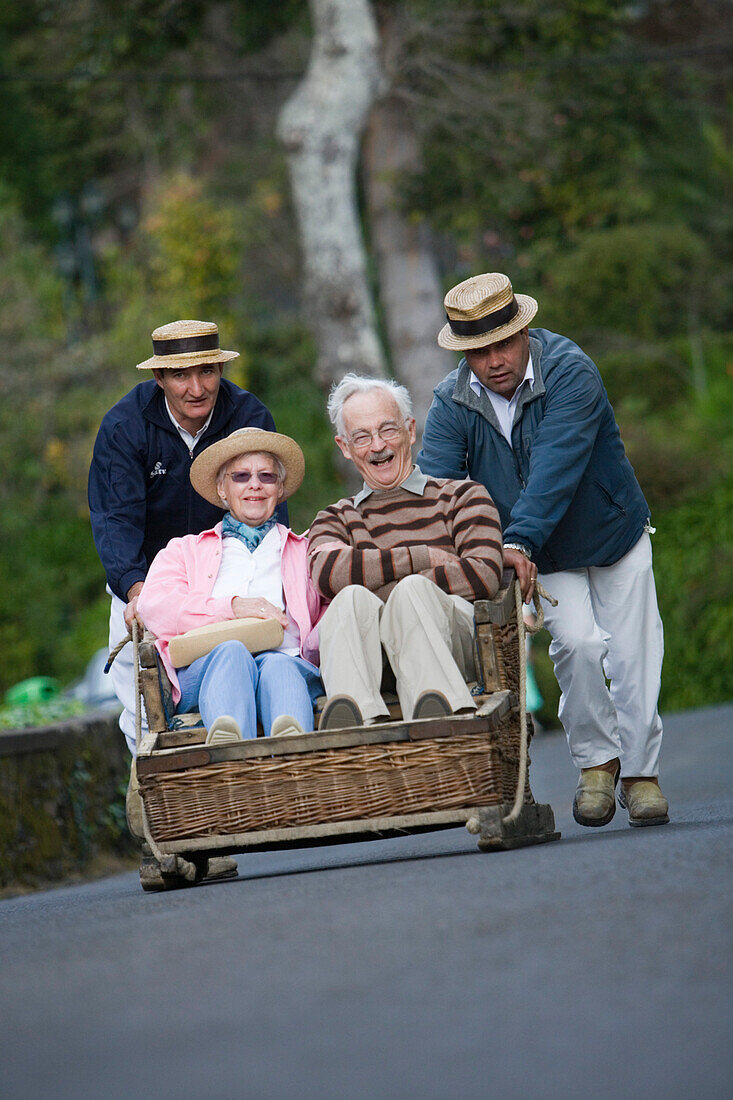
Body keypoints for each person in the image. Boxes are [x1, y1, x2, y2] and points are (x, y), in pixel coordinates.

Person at [418, 271, 668, 828]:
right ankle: (598, 765)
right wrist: (470, 553)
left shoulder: (570, 369)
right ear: (465, 354)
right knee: (577, 646)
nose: (494, 360)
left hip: (610, 530)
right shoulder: (451, 401)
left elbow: (557, 465)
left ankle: (642, 775)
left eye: (503, 343)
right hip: (533, 551)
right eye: (479, 351)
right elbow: (437, 489)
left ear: (523, 330)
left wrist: (515, 539)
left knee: (633, 656)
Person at [89, 319, 286, 753]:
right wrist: (136, 592)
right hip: (145, 579)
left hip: (233, 571)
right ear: (159, 378)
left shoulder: (249, 415)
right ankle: (156, 797)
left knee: (261, 668)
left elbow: (272, 501)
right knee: (139, 705)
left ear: (221, 372)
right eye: (180, 375)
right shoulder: (126, 427)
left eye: (207, 372)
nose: (196, 388)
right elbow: (114, 518)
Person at [307, 374, 503, 729]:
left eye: (388, 430)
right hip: (375, 661)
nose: (378, 446)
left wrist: (388, 585)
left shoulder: (462, 496)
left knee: (410, 594)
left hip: (454, 648)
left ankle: (441, 721)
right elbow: (326, 572)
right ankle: (355, 730)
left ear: (410, 431)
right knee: (349, 598)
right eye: (362, 437)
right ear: (345, 447)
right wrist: (422, 557)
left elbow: (483, 573)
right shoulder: (335, 517)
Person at [136, 428, 324, 742]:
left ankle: (293, 756)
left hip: (286, 660)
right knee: (232, 653)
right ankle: (233, 753)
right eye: (241, 476)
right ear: (222, 489)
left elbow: (328, 613)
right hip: (209, 664)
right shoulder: (185, 550)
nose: (255, 485)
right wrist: (232, 608)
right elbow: (154, 605)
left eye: (266, 476)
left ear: (278, 488)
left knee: (278, 666)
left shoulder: (307, 550)